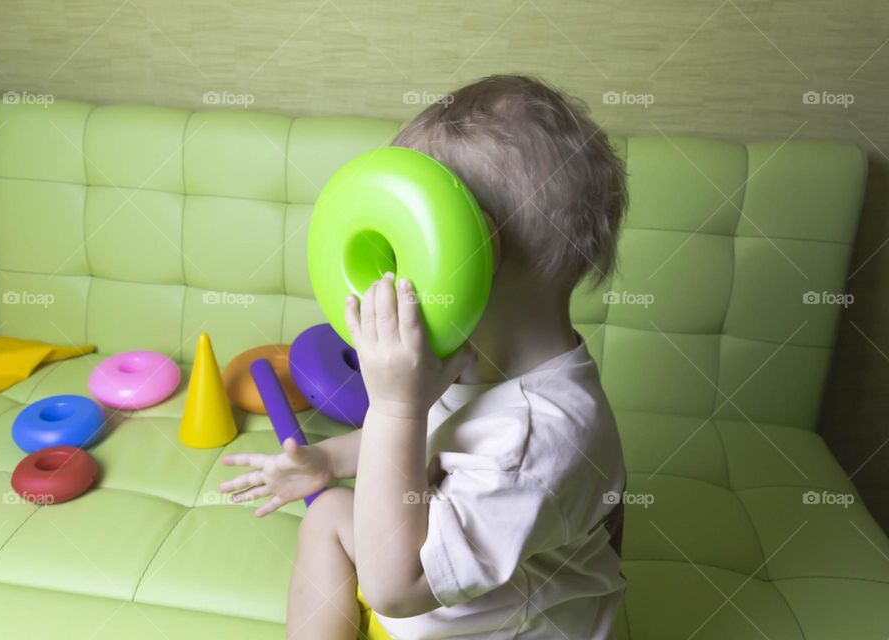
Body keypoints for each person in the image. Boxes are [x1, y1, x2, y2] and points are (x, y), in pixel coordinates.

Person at [220, 73, 629, 640]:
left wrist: (395, 407)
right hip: (426, 569)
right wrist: (330, 461)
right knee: (329, 514)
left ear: (474, 248)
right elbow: (441, 442)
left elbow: (396, 587)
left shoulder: (537, 439)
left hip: (489, 621)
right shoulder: (473, 354)